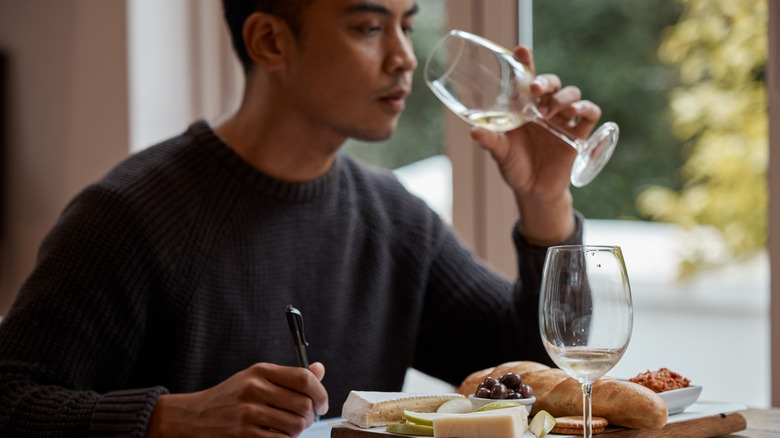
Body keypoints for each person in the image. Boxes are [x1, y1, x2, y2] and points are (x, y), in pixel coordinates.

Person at [0, 0, 605, 437]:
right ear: (269, 41)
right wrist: (170, 417)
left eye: (406, 26)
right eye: (369, 27)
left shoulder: (395, 221)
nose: (403, 57)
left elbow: (544, 374)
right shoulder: (127, 216)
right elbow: (10, 397)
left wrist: (545, 199)